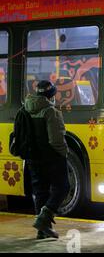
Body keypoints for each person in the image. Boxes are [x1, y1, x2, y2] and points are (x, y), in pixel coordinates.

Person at [24, 80, 70, 239]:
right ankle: (46, 215)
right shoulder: (51, 111)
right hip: (51, 157)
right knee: (63, 187)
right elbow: (55, 140)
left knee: (40, 191)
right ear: (51, 95)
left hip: (32, 157)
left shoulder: (26, 109)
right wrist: (65, 153)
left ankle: (42, 231)